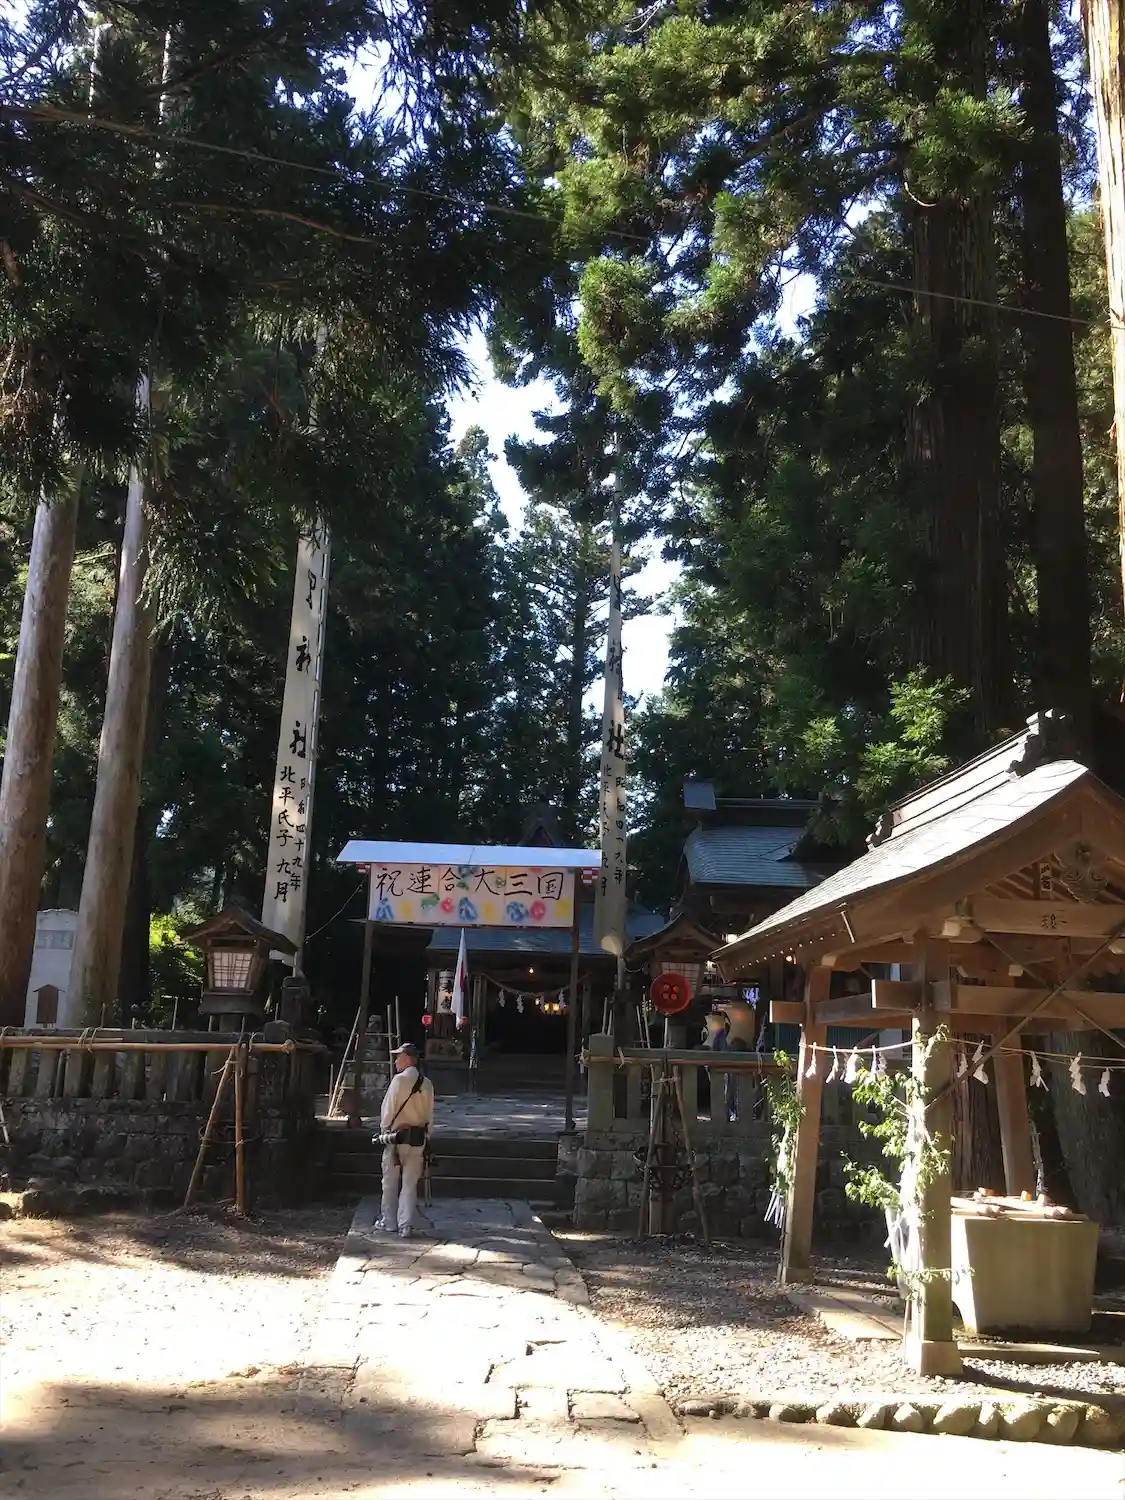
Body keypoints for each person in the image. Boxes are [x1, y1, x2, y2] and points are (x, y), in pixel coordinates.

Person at [374, 1042, 435, 1238]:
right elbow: (429, 1114)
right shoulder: (427, 1083)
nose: (396, 1061)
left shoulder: (399, 1081)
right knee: (410, 1183)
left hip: (396, 1137)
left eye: (398, 1057)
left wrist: (384, 1131)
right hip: (418, 1138)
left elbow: (388, 1110)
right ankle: (405, 1225)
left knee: (390, 1181)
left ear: (408, 1059)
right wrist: (428, 1136)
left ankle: (389, 1221)